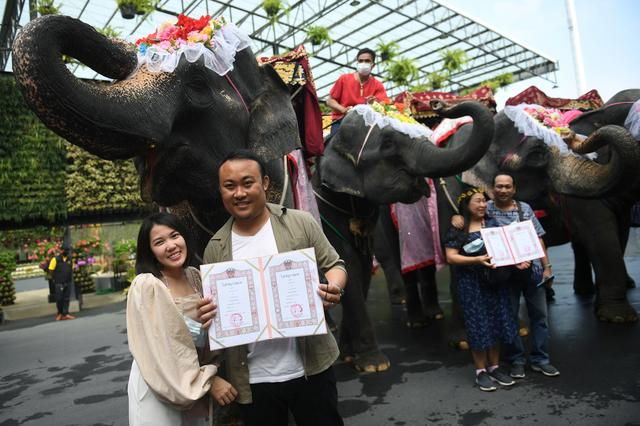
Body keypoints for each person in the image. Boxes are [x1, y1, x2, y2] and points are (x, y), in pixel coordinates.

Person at [203, 149, 347, 426]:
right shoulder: (216, 248)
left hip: (310, 367)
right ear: (220, 190)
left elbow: (335, 264)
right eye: (229, 186)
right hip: (254, 380)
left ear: (265, 183)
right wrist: (206, 315)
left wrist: (335, 288)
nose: (239, 193)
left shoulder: (299, 223)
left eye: (248, 183)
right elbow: (212, 319)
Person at [126, 212, 236, 426]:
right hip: (160, 379)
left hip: (190, 378)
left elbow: (200, 335)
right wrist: (208, 380)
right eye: (159, 242)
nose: (171, 245)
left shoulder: (195, 276)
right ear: (149, 250)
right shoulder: (147, 285)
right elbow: (162, 347)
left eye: (174, 236)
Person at [452, 174, 559, 379]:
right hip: (506, 273)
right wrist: (456, 217)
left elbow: (537, 239)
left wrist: (547, 267)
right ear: (492, 189)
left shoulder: (524, 209)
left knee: (540, 317)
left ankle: (541, 359)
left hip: (532, 269)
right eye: (499, 186)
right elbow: (467, 213)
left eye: (507, 187)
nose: (503, 190)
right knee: (509, 318)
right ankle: (517, 360)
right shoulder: (486, 207)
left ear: (514, 189)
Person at [444, 188, 519, 391]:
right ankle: (480, 371)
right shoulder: (459, 227)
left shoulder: (494, 223)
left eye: (484, 201)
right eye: (477, 201)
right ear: (467, 205)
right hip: (471, 284)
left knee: (496, 323)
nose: (482, 205)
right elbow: (451, 256)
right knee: (478, 325)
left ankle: (494, 367)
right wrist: (476, 259)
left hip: (495, 281)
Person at [326, 47, 389, 134]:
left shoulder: (378, 85)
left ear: (373, 65)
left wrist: (374, 104)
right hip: (341, 121)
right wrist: (343, 110)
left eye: (367, 61)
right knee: (333, 143)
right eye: (361, 61)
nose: (363, 63)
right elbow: (330, 101)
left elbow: (385, 107)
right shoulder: (344, 79)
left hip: (366, 125)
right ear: (357, 63)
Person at [48, 246, 75, 321]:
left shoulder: (70, 259)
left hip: (67, 281)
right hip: (59, 282)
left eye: (67, 250)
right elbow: (51, 270)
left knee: (66, 298)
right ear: (60, 251)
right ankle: (59, 313)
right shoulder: (55, 259)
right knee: (59, 299)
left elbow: (72, 269)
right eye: (64, 250)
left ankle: (65, 314)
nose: (66, 251)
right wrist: (55, 277)